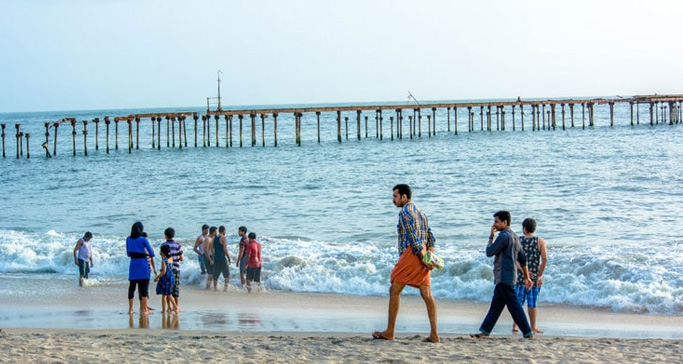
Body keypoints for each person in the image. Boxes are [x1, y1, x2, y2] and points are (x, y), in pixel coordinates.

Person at [373, 184, 439, 343]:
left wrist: (423, 257)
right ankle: (434, 334)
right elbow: (431, 237)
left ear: (404, 197)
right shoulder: (422, 214)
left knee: (394, 289)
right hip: (422, 252)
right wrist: (429, 255)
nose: (393, 200)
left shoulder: (405, 212)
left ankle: (390, 331)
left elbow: (413, 238)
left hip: (412, 253)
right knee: (427, 294)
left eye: (395, 196)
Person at [470, 211, 534, 339]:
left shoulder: (504, 237)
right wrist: (526, 277)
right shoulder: (515, 237)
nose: (494, 224)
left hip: (504, 277)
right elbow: (523, 259)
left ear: (505, 222)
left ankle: (528, 332)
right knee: (496, 306)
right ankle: (485, 331)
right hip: (510, 276)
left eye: (496, 222)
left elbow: (489, 252)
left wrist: (490, 236)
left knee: (514, 306)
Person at [512, 218, 548, 334]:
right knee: (532, 303)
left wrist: (522, 271)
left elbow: (515, 260)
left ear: (524, 229)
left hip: (521, 277)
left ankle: (515, 326)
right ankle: (533, 327)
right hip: (534, 277)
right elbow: (545, 259)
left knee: (518, 303)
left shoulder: (518, 240)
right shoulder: (540, 241)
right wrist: (540, 275)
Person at [126, 222, 155, 315]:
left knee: (132, 287)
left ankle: (130, 309)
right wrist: (144, 253)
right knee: (144, 288)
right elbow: (151, 253)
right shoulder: (143, 239)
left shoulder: (128, 239)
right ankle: (144, 309)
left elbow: (128, 253)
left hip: (133, 264)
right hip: (142, 264)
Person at [161, 227, 184, 312]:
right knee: (175, 289)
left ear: (165, 236)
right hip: (176, 268)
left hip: (166, 270)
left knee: (168, 290)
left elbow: (163, 258)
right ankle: (176, 306)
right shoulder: (177, 245)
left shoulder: (163, 245)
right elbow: (181, 258)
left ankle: (169, 307)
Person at [154, 244, 176, 313]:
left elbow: (164, 271)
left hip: (165, 278)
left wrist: (157, 277)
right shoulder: (170, 258)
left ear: (162, 252)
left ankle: (168, 309)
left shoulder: (163, 260)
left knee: (165, 295)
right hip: (171, 276)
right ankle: (169, 307)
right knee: (169, 293)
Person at [212, 226, 232, 291]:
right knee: (227, 275)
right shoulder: (223, 238)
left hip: (216, 258)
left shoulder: (214, 238)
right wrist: (228, 257)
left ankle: (215, 288)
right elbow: (225, 249)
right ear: (223, 231)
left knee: (216, 275)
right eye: (225, 231)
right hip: (222, 258)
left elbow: (212, 249)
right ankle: (225, 289)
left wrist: (213, 257)